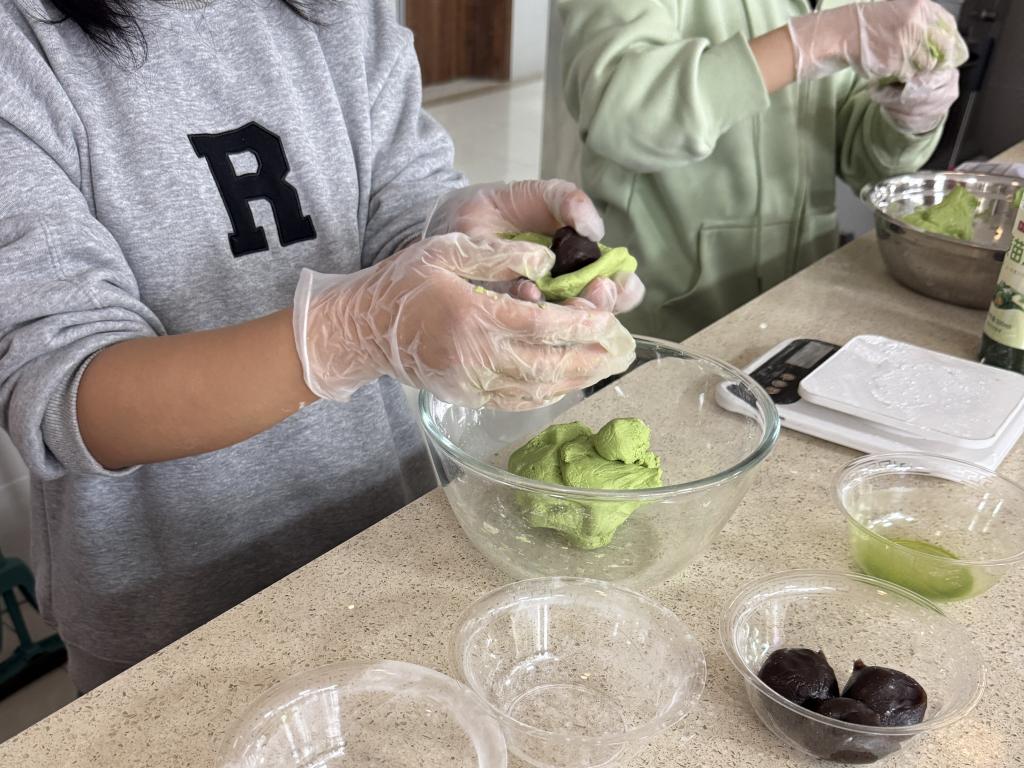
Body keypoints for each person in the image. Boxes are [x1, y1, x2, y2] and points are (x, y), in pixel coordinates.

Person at [0, 0, 639, 692]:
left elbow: (392, 199)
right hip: (170, 601)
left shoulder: (343, 11)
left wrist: (458, 233)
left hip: (382, 529)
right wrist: (346, 333)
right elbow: (67, 396)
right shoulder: (22, 45)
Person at [555, 0, 969, 340]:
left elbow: (863, 163)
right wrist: (821, 39)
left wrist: (907, 119)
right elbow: (626, 114)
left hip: (798, 307)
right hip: (661, 321)